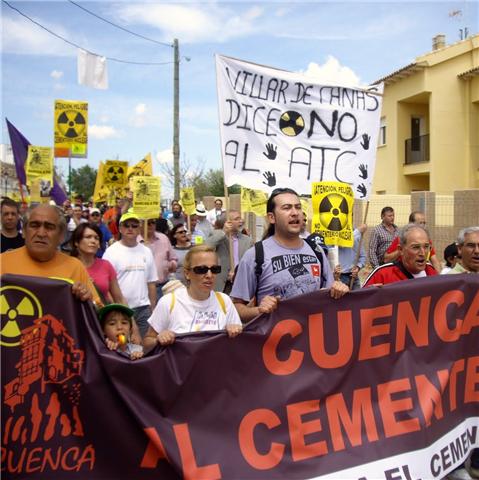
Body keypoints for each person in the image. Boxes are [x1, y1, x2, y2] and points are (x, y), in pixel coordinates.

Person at [231, 188, 349, 323]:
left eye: (298, 207)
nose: (295, 213)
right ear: (271, 217)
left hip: (312, 340)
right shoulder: (255, 255)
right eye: (287, 208)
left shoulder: (316, 250)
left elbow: (329, 294)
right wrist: (259, 310)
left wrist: (339, 289)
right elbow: (236, 309)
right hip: (275, 342)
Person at [143, 245, 242, 350]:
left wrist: (236, 332)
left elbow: (239, 345)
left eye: (214, 269)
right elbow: (147, 342)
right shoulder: (169, 302)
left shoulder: (224, 301)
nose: (209, 275)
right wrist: (158, 339)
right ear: (187, 274)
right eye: (201, 269)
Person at [0, 204, 100, 305]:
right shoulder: (2, 263)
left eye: (49, 227)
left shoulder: (75, 267)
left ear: (61, 236)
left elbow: (97, 310)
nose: (41, 233)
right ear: (24, 231)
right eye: (34, 225)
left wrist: (87, 300)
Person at [103, 211, 158, 337]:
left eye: (134, 226)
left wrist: (153, 308)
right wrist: (114, 308)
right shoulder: (111, 252)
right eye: (126, 225)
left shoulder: (146, 251)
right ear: (120, 228)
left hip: (143, 308)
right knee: (123, 347)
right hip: (121, 309)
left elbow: (151, 283)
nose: (130, 229)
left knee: (143, 348)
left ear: (139, 229)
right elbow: (107, 286)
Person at [363, 224, 438, 287]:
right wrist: (371, 296)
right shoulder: (382, 275)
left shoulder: (431, 271)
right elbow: (358, 301)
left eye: (426, 246)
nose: (422, 253)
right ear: (401, 250)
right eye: (416, 247)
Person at [70, 223, 126, 305]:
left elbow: (119, 298)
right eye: (88, 237)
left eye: (96, 238)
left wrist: (129, 317)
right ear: (76, 242)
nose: (93, 241)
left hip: (101, 316)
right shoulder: (67, 265)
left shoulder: (106, 265)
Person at [206, 209, 253, 292]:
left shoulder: (247, 240)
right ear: (228, 222)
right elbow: (207, 247)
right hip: (221, 285)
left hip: (240, 284)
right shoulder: (217, 235)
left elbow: (251, 262)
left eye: (240, 218)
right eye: (236, 219)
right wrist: (224, 232)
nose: (241, 221)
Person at [140, 217, 178, 301]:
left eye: (153, 222)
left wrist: (172, 264)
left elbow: (173, 258)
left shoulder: (163, 238)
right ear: (140, 224)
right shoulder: (135, 241)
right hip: (143, 289)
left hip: (163, 287)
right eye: (147, 223)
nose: (150, 225)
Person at [335, 224, 367, 290]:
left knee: (358, 299)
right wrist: (357, 232)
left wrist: (358, 267)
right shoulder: (334, 234)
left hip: (353, 277)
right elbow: (343, 242)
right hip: (340, 277)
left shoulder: (357, 236)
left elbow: (363, 256)